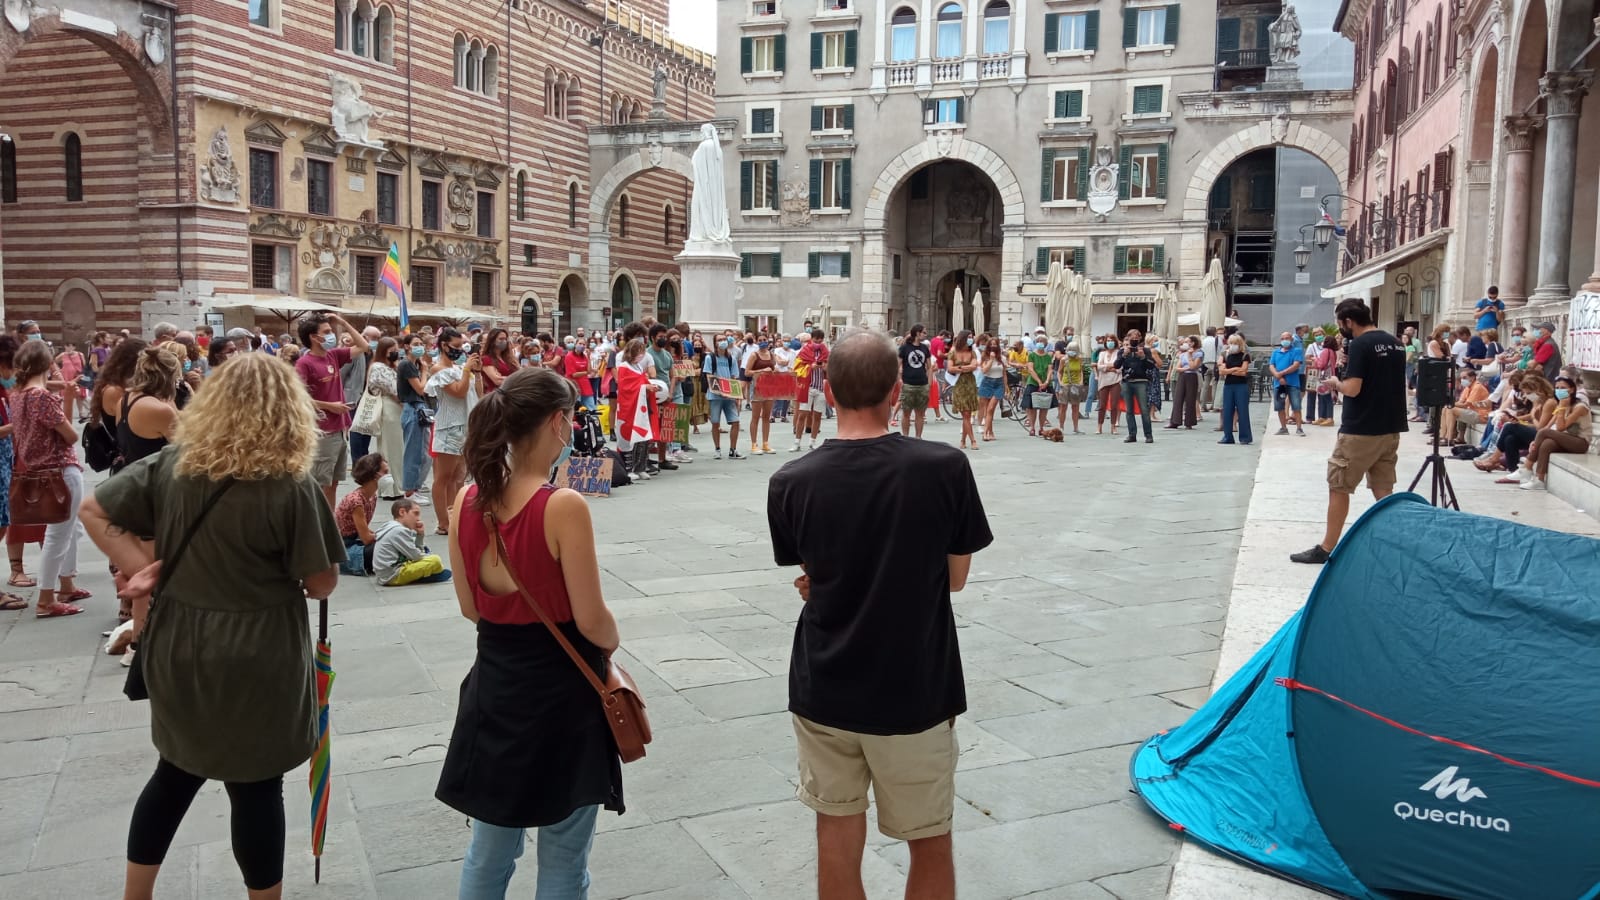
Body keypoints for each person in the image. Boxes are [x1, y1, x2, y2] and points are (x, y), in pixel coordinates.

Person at [79, 352, 343, 900]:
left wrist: (138, 565)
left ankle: (137, 895)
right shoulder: (290, 486)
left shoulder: (172, 466)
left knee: (173, 774)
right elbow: (321, 584)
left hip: (179, 644)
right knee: (256, 788)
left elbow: (93, 511)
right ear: (287, 412)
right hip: (260, 652)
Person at [767, 329, 992, 900]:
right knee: (930, 840)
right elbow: (956, 578)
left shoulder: (789, 482)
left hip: (824, 684)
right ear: (898, 388)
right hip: (914, 685)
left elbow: (814, 572)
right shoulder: (944, 467)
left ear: (826, 386)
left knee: (836, 838)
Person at [437, 367, 623, 899]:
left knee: (489, 853)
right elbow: (592, 622)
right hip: (562, 697)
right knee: (564, 857)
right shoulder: (562, 505)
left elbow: (473, 610)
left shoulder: (466, 502)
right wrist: (612, 637)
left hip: (496, 691)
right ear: (558, 423)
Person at [1291, 300, 1407, 565]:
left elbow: (1353, 388)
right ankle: (1394, 544)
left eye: (1341, 323)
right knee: (1383, 488)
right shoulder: (1396, 343)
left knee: (1339, 485)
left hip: (1361, 429)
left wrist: (1335, 382)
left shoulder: (1361, 345)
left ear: (1347, 321)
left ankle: (1326, 547)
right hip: (1390, 427)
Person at [11, 340, 89, 618]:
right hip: (59, 469)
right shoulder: (41, 397)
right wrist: (64, 395)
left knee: (68, 529)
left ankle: (66, 583)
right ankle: (46, 598)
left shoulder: (17, 394)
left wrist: (66, 396)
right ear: (47, 365)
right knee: (59, 534)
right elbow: (69, 436)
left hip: (37, 469)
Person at [295, 312, 370, 509]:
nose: (332, 335)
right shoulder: (305, 363)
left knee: (334, 482)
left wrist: (343, 322)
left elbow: (364, 346)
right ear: (314, 337)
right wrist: (330, 406)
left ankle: (330, 523)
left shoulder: (333, 355)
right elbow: (299, 397)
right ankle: (318, 523)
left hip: (339, 428)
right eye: (327, 332)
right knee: (320, 482)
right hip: (322, 430)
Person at [427, 328, 479, 534]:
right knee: (443, 476)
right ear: (443, 345)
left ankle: (454, 514)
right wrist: (466, 370)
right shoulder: (437, 369)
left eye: (461, 347)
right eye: (456, 347)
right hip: (449, 427)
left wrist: (477, 372)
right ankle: (443, 522)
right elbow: (458, 392)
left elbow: (477, 393)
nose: (459, 351)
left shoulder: (459, 368)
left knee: (459, 476)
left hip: (465, 426)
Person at [1517, 375, 1591, 491]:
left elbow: (1561, 427)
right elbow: (1550, 427)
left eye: (1563, 388)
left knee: (1545, 433)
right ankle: (1539, 480)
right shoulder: (1562, 405)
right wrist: (1536, 442)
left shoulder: (1579, 407)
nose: (1559, 390)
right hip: (1565, 439)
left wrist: (1562, 406)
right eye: (1557, 388)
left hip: (1580, 442)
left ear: (1571, 390)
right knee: (1547, 443)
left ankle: (1527, 466)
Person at [357, 337, 405, 498]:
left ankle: (399, 484)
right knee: (390, 449)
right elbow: (393, 389)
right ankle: (392, 487)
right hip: (389, 408)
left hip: (396, 409)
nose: (396, 352)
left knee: (398, 448)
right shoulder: (378, 367)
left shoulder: (391, 366)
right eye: (392, 349)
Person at [372, 498, 451, 585]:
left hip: (388, 574)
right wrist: (428, 556)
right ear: (402, 512)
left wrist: (420, 535)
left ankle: (428, 572)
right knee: (435, 560)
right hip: (393, 575)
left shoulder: (394, 528)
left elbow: (415, 552)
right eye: (415, 514)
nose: (418, 519)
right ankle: (426, 575)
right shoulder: (398, 531)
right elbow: (416, 556)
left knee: (431, 558)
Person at [395, 334, 432, 507]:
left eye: (421, 343)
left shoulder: (414, 364)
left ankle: (415, 486)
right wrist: (425, 372)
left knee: (424, 453)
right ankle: (409, 490)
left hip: (419, 409)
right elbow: (420, 389)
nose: (420, 346)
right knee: (414, 452)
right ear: (407, 347)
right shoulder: (406, 365)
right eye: (416, 344)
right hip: (413, 409)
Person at [335, 453, 386, 576]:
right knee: (386, 547)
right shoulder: (356, 501)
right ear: (375, 475)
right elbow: (366, 538)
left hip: (355, 541)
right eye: (385, 472)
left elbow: (365, 531)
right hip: (344, 548)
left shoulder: (371, 497)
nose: (388, 476)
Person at [703, 335, 745, 459]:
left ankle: (733, 449)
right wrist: (717, 389)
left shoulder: (731, 358)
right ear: (715, 343)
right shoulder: (710, 358)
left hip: (729, 396)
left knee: (736, 422)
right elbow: (708, 375)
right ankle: (717, 449)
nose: (722, 342)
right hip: (715, 395)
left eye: (724, 339)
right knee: (715, 423)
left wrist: (736, 396)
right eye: (719, 340)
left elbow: (734, 377)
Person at [1116, 330, 1160, 443]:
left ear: (1140, 339)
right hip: (1127, 381)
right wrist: (1124, 355)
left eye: (1136, 337)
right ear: (1128, 338)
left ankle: (1148, 435)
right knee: (1129, 410)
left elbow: (1151, 366)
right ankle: (1132, 434)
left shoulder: (1145, 350)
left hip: (1141, 381)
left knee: (1144, 409)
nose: (1134, 340)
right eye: (1132, 337)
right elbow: (1116, 365)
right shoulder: (1123, 351)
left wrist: (1143, 357)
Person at [792, 330, 829, 451]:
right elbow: (797, 368)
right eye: (816, 339)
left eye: (820, 340)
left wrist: (825, 367)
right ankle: (797, 442)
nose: (818, 342)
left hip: (820, 387)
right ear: (811, 339)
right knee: (802, 414)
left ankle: (813, 442)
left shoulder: (826, 352)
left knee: (817, 416)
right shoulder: (804, 351)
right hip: (807, 387)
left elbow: (831, 367)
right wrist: (810, 366)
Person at [1216, 333, 1254, 445]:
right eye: (1231, 343)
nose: (1233, 345)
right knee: (1227, 410)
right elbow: (1222, 372)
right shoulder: (1225, 355)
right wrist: (1235, 369)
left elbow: (1243, 372)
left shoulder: (1245, 355)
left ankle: (1245, 437)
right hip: (1228, 386)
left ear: (1240, 344)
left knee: (1243, 411)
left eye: (1236, 343)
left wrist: (1229, 370)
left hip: (1241, 386)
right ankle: (1227, 436)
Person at [1268, 331, 1306, 437]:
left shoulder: (1296, 351)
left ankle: (1299, 428)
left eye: (1287, 338)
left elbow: (1296, 365)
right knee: (1280, 406)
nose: (1285, 340)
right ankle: (1283, 428)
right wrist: (1277, 376)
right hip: (1278, 384)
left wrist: (1281, 373)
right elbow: (1271, 365)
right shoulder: (1276, 352)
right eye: (1283, 338)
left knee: (1296, 406)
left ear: (1291, 339)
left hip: (1293, 383)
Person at [1439, 367, 1491, 445]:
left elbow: (1466, 404)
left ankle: (1448, 438)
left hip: (1481, 415)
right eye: (1461, 378)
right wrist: (1449, 404)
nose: (1462, 380)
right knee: (1445, 408)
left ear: (1473, 377)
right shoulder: (1467, 387)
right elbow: (1460, 402)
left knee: (1451, 409)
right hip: (1471, 411)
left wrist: (1449, 403)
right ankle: (1442, 436)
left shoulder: (1477, 387)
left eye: (1464, 378)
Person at [897, 325, 932, 439]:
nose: (925, 335)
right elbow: (898, 365)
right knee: (906, 412)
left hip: (922, 384)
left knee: (920, 413)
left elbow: (929, 366)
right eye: (924, 333)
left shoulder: (925, 348)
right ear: (917, 333)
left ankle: (918, 437)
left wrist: (929, 383)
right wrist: (900, 380)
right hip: (908, 384)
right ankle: (906, 437)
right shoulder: (904, 348)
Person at [947, 330, 980, 449]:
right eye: (969, 337)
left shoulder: (972, 352)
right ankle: (973, 441)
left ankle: (962, 441)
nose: (971, 339)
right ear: (963, 338)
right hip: (959, 384)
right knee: (966, 414)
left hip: (970, 384)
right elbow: (950, 368)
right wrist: (965, 368)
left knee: (967, 414)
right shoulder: (953, 352)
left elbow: (974, 366)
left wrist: (959, 367)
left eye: (972, 337)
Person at [1164, 336, 1202, 430]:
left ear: (1192, 343)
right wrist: (1185, 368)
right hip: (1183, 375)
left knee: (1190, 399)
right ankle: (1175, 421)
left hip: (1192, 376)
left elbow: (1194, 366)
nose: (1184, 344)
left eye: (1187, 342)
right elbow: (1177, 367)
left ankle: (1189, 422)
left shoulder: (1199, 353)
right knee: (1178, 397)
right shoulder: (1182, 354)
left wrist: (1189, 356)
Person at [1023, 334, 1054, 437]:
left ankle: (1041, 428)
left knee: (1044, 406)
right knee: (1032, 407)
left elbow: (1050, 369)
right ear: (1036, 343)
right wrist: (1039, 381)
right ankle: (1032, 428)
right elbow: (1030, 369)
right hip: (1033, 382)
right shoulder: (1032, 355)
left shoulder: (1048, 356)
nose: (1041, 343)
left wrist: (1046, 381)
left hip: (1046, 383)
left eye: (1043, 341)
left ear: (1045, 344)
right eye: (1039, 341)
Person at [1054, 340, 1087, 435]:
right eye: (1070, 349)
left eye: (1073, 350)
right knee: (1063, 407)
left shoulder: (1079, 359)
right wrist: (1060, 383)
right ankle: (1061, 427)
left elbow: (1080, 370)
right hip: (1065, 384)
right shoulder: (1064, 359)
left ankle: (1076, 428)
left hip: (1076, 385)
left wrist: (1081, 381)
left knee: (1075, 407)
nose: (1071, 351)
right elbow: (1059, 372)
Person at [976, 339, 1006, 441]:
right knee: (988, 410)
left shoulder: (1002, 358)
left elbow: (1004, 374)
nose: (993, 346)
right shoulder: (985, 358)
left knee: (990, 408)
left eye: (995, 344)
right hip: (987, 383)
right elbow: (984, 371)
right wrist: (991, 360)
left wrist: (1006, 388)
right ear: (988, 346)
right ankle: (990, 431)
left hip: (999, 384)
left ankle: (985, 433)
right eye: (991, 344)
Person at [1094, 335, 1122, 435]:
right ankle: (1099, 426)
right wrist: (1110, 367)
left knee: (1114, 405)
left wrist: (1112, 367)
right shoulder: (1102, 353)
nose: (1110, 342)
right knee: (1102, 405)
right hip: (1103, 381)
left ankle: (1113, 426)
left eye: (1112, 340)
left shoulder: (1119, 353)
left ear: (1115, 342)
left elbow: (1120, 367)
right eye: (1108, 340)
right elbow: (1099, 366)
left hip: (1115, 381)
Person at [56, 340, 86, 424]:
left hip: (78, 376)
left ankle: (81, 412)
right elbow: (54, 363)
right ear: (65, 347)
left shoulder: (80, 354)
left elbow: (84, 365)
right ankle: (65, 411)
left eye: (71, 346)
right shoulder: (62, 355)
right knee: (66, 394)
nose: (69, 348)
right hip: (66, 377)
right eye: (67, 346)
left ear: (74, 347)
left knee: (79, 395)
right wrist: (59, 370)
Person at [480, 327, 518, 393]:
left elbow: (518, 371)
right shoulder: (486, 359)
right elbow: (497, 381)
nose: (504, 341)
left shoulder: (508, 358)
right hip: (496, 395)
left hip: (511, 393)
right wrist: (516, 378)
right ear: (492, 341)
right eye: (501, 339)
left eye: (505, 339)